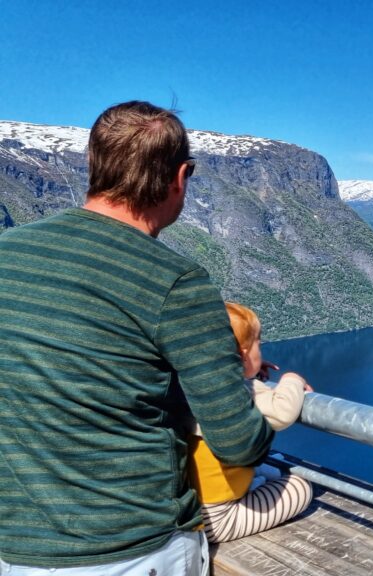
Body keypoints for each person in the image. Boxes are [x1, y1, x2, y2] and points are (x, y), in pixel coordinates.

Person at [0, 101, 274, 575]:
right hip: (135, 549)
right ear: (180, 176)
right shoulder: (175, 281)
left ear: (93, 166)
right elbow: (238, 442)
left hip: (17, 548)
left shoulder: (9, 253)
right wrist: (267, 401)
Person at [188, 302, 314, 543]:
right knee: (302, 486)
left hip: (190, 508)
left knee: (269, 467)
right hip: (218, 520)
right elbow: (282, 412)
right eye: (259, 345)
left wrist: (250, 371)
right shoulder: (238, 392)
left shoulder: (189, 386)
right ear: (245, 356)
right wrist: (292, 379)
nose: (261, 350)